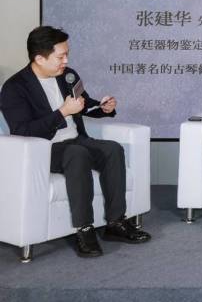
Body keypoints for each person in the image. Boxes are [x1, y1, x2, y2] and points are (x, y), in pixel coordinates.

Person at [0, 26, 151, 257]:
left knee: (112, 149)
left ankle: (116, 223)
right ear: (39, 58)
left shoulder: (67, 75)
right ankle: (85, 230)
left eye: (67, 54)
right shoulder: (15, 88)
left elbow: (83, 103)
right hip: (45, 148)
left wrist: (103, 108)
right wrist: (62, 112)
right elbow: (23, 131)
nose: (66, 61)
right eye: (60, 57)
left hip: (76, 139)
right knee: (76, 154)